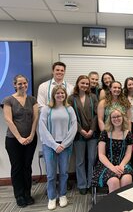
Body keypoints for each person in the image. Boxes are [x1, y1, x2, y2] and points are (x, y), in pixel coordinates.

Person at [39, 85, 77, 210]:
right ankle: (51, 197)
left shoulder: (69, 109)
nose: (60, 95)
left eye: (62, 93)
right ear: (53, 95)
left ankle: (62, 195)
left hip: (65, 145)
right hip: (50, 145)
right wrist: (54, 145)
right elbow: (42, 129)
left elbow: (73, 127)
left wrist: (64, 144)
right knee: (50, 174)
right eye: (57, 93)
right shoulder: (46, 109)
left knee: (64, 172)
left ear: (65, 95)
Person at [2, 75, 38, 207]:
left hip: (30, 139)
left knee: (27, 167)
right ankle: (19, 195)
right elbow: (8, 120)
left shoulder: (32, 99)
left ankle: (27, 193)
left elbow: (35, 119)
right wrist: (20, 138)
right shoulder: (8, 100)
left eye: (25, 83)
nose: (23, 86)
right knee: (17, 167)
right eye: (20, 84)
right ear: (14, 85)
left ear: (28, 84)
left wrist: (31, 135)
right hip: (13, 140)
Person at [68, 75, 98, 195]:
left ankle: (91, 183)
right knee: (80, 161)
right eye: (82, 83)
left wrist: (91, 130)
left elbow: (97, 115)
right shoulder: (71, 98)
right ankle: (81, 184)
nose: (85, 85)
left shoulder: (93, 97)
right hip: (78, 134)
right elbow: (71, 117)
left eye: (87, 84)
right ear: (78, 84)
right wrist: (80, 130)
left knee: (91, 159)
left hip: (92, 133)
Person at [92, 108, 133, 193]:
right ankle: (115, 205)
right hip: (106, 165)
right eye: (113, 117)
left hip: (123, 164)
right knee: (113, 181)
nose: (116, 119)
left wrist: (121, 166)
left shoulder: (128, 133)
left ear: (123, 117)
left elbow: (128, 154)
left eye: (118, 116)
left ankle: (126, 206)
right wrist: (113, 168)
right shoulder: (104, 133)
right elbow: (101, 155)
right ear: (110, 120)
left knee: (127, 179)